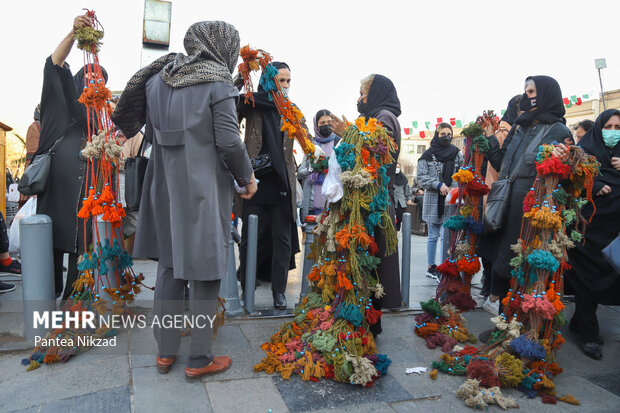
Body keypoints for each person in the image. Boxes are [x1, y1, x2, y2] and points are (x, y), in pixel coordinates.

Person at [112, 21, 255, 380]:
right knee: (206, 271)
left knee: (170, 267)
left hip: (164, 187)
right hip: (203, 189)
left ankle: (165, 353)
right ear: (223, 46)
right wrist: (247, 177)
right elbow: (228, 141)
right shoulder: (218, 82)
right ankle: (199, 359)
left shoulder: (157, 79)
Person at [480, 75, 572, 323]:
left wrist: (563, 160)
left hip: (530, 215)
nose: (527, 97)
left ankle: (518, 326)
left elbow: (566, 180)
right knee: (499, 265)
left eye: (532, 92)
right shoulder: (520, 127)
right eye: (525, 92)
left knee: (520, 269)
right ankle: (504, 324)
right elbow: (499, 163)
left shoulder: (559, 131)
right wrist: (490, 136)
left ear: (546, 95)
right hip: (505, 206)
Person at [35, 14, 107, 300]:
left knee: (82, 250)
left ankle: (73, 304)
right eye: (87, 78)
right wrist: (73, 35)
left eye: (99, 80)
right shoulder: (60, 103)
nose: (92, 83)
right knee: (49, 247)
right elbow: (54, 65)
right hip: (56, 192)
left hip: (85, 196)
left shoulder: (99, 121)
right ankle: (44, 297)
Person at [331, 73, 403, 335]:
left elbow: (377, 149)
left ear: (375, 95)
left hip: (374, 205)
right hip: (371, 202)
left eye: (363, 94)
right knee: (369, 263)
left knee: (369, 263)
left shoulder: (384, 116)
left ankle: (367, 324)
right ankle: (366, 321)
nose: (359, 99)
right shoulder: (377, 117)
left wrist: (347, 132)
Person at [236, 61, 302, 310]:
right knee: (249, 238)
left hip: (282, 182)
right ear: (269, 80)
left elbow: (305, 136)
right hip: (254, 181)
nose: (284, 85)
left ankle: (279, 291)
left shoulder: (290, 109)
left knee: (282, 239)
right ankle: (247, 285)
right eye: (280, 80)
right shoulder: (251, 103)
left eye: (288, 81)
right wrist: (241, 77)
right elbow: (229, 102)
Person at [564, 109, 620, 360]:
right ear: (599, 128)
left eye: (618, 128)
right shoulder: (585, 150)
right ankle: (588, 332)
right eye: (608, 126)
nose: (613, 132)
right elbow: (569, 178)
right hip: (587, 227)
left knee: (604, 278)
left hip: (614, 232)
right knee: (586, 278)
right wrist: (593, 185)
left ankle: (580, 322)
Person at [417, 123, 463, 281]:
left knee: (446, 235)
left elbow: (462, 175)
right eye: (442, 134)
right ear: (437, 135)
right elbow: (421, 177)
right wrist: (439, 185)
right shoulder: (427, 155)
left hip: (451, 200)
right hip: (433, 199)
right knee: (433, 235)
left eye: (449, 133)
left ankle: (444, 267)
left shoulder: (457, 154)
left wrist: (452, 189)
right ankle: (431, 267)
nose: (446, 137)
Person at [298, 109, 339, 218]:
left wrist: (330, 165)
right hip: (311, 205)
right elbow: (299, 173)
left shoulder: (339, 142)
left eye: (329, 122)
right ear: (316, 126)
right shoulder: (311, 146)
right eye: (322, 123)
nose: (326, 125)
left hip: (333, 206)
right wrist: (312, 168)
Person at [393, 162, 412, 231]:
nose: (397, 169)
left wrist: (409, 199)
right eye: (396, 167)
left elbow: (407, 190)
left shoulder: (403, 178)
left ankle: (397, 229)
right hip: (392, 199)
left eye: (398, 167)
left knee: (399, 216)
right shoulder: (390, 177)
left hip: (401, 200)